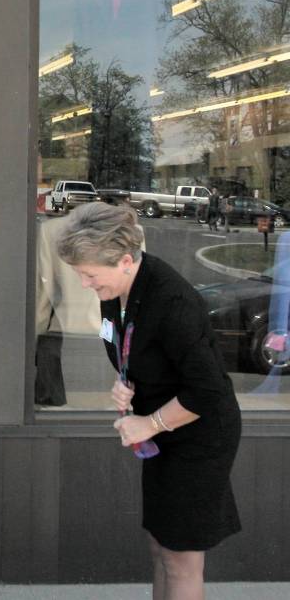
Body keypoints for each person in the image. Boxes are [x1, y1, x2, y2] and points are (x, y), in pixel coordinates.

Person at [56, 202, 241, 600]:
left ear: (125, 260)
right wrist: (126, 382)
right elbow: (129, 345)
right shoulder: (118, 289)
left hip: (199, 436)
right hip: (165, 429)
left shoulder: (173, 303)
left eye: (89, 275)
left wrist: (150, 423)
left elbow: (207, 390)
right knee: (161, 544)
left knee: (181, 557)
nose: (85, 284)